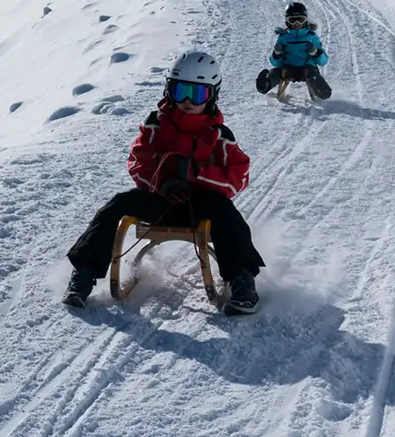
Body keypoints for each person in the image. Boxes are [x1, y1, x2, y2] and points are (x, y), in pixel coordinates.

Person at [65, 51, 265, 315]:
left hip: (200, 205)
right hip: (160, 200)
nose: (186, 101)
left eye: (197, 95)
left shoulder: (219, 136)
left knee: (226, 214)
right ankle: (84, 273)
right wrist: (161, 183)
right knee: (118, 203)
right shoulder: (155, 125)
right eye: (180, 90)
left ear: (212, 95)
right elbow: (138, 161)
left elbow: (237, 178)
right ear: (169, 89)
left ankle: (241, 279)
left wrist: (197, 173)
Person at [258, 2, 331, 101]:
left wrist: (316, 52)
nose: (297, 24)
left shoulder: (311, 36)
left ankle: (322, 91)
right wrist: (277, 54)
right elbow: (275, 63)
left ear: (305, 20)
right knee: (276, 72)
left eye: (300, 20)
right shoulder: (283, 37)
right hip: (287, 68)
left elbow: (323, 61)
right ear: (287, 21)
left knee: (315, 76)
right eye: (292, 20)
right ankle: (266, 83)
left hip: (307, 68)